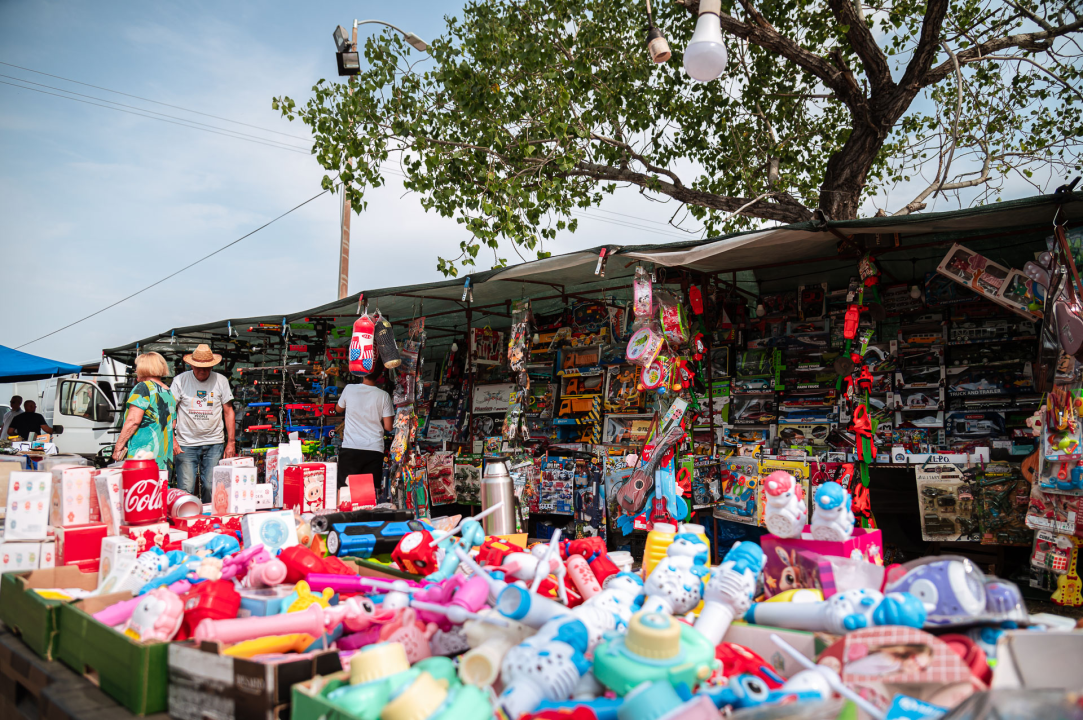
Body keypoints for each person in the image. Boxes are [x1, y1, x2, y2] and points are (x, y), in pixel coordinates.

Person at [171, 344, 235, 501]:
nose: (202, 371)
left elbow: (229, 412)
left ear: (212, 366)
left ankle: (209, 521)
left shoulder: (221, 381)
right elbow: (170, 411)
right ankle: (186, 521)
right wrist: (172, 439)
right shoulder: (180, 381)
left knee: (211, 487)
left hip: (214, 443)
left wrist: (231, 442)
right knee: (186, 488)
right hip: (186, 443)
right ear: (191, 365)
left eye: (206, 368)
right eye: (198, 367)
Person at [336, 358, 394, 492]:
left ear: (361, 372)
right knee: (368, 493)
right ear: (380, 375)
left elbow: (338, 409)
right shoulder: (384, 396)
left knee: (344, 491)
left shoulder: (349, 389)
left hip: (351, 448)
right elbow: (388, 427)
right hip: (374, 450)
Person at [113, 352, 176, 473]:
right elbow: (172, 424)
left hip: (143, 456)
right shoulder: (168, 391)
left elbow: (133, 421)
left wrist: (118, 447)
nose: (136, 370)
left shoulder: (143, 388)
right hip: (163, 458)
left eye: (137, 367)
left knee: (141, 489)